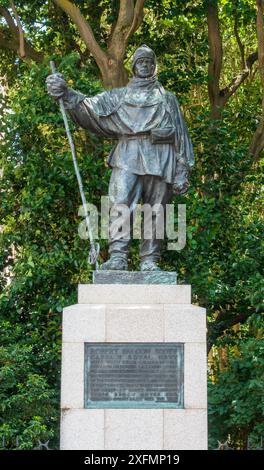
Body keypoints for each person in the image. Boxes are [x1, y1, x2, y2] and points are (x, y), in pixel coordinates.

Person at [46, 45, 194, 271]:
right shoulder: (119, 97)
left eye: (149, 61)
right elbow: (90, 107)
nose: (145, 65)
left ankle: (150, 261)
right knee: (120, 204)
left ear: (154, 66)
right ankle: (117, 257)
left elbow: (181, 135)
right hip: (127, 154)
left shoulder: (167, 99)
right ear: (133, 67)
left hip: (161, 157)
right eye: (141, 61)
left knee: (157, 211)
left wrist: (183, 170)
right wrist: (66, 93)